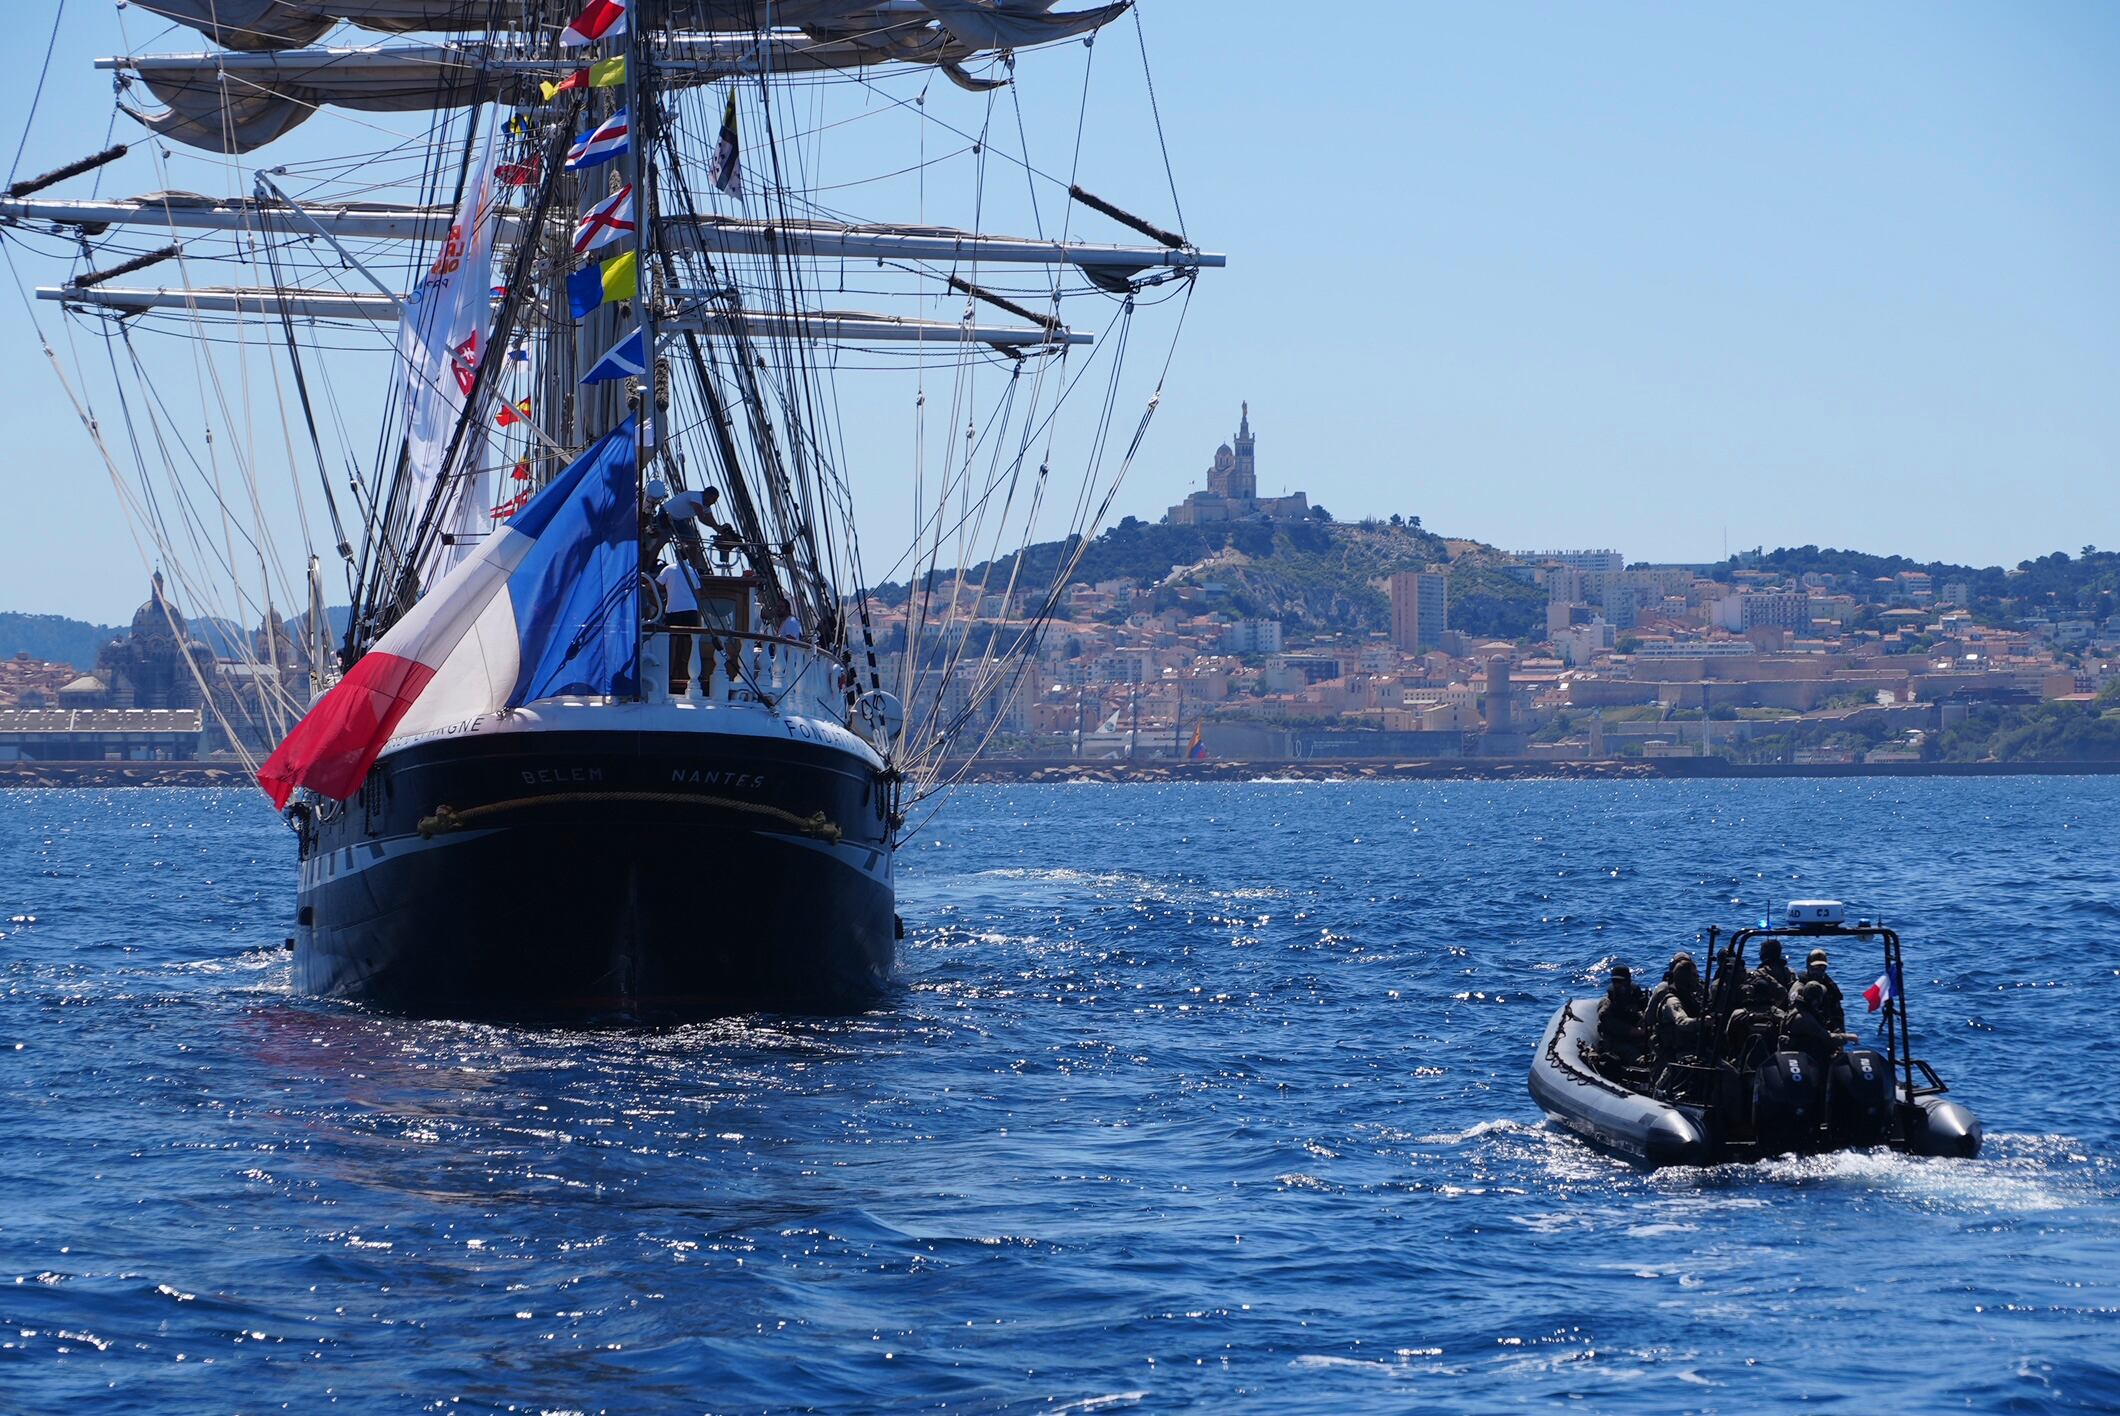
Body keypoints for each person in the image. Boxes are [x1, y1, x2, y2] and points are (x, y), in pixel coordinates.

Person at [657, 555, 708, 696]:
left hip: (673, 609)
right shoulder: (693, 571)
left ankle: (670, 673)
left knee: (672, 642)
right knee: (689, 643)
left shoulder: (669, 569)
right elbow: (698, 593)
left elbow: (654, 587)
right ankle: (690, 675)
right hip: (690, 610)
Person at [1645, 952, 1707, 1067]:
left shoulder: (1694, 990)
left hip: (1691, 1040)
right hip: (1673, 1044)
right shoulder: (1667, 992)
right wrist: (1701, 1022)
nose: (1697, 978)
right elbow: (1649, 1018)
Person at [1596, 964, 1651, 1076]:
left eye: (1621, 982)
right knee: (1640, 1060)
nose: (1618, 985)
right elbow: (1612, 1026)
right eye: (1615, 982)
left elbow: (1644, 1013)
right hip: (1616, 1042)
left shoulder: (1635, 995)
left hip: (1637, 1038)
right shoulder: (1608, 1003)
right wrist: (1639, 1032)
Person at [1780, 981, 1843, 1067]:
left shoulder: (1798, 1009)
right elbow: (1827, 1038)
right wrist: (1847, 1037)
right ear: (1816, 1000)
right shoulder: (1804, 1017)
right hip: (1804, 1061)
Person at [1797, 947, 1846, 1031]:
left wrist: (1838, 1032)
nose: (1818, 972)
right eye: (1815, 968)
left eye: (1822, 968)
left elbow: (1838, 1015)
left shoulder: (1831, 988)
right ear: (1808, 967)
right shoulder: (1800, 986)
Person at [1749, 937, 1797, 1005]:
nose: (1759, 954)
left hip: (1768, 1009)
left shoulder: (1759, 973)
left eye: (1761, 951)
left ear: (1763, 954)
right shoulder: (1790, 971)